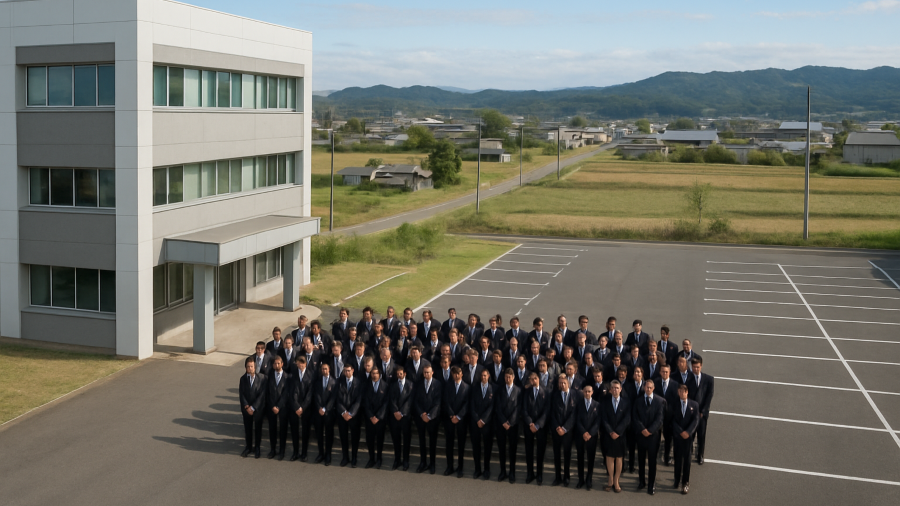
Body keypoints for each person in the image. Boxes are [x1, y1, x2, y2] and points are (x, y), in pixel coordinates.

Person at [633, 379, 664, 495]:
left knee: (652, 461)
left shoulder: (659, 401)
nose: (648, 389)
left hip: (653, 437)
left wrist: (650, 431)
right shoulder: (638, 401)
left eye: (650, 387)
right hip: (641, 435)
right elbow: (635, 417)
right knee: (640, 460)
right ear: (644, 388)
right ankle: (642, 481)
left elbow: (659, 419)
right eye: (647, 387)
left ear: (654, 388)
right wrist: (643, 430)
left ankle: (651, 484)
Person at [601, 380, 629, 493]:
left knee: (619, 458)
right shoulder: (605, 402)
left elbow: (627, 419)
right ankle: (610, 480)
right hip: (608, 435)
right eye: (613, 388)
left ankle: (617, 481)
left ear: (620, 389)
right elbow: (604, 419)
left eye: (617, 388)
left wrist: (618, 432)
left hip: (620, 435)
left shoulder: (626, 402)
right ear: (610, 390)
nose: (615, 390)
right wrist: (610, 431)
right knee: (609, 457)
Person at [442, 366, 470, 477]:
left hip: (461, 420)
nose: (456, 375)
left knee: (461, 444)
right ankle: (450, 466)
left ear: (462, 374)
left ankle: (460, 467)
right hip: (450, 419)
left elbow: (466, 404)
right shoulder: (448, 386)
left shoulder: (467, 387)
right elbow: (446, 401)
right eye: (454, 374)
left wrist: (458, 416)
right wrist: (451, 415)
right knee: (449, 444)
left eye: (458, 373)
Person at [495, 368, 521, 483]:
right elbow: (498, 407)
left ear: (513, 377)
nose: (507, 378)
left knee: (512, 449)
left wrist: (510, 422)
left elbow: (518, 408)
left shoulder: (518, 390)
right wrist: (503, 421)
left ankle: (512, 472)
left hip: (513, 425)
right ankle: (503, 471)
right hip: (501, 424)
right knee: (501, 449)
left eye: (509, 377)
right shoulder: (500, 390)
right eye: (506, 377)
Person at [550, 374, 577, 487]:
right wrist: (557, 427)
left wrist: (565, 428)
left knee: (567, 454)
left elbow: (574, 414)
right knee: (557, 454)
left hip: (568, 430)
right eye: (560, 383)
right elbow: (552, 412)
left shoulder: (575, 395)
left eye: (564, 382)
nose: (561, 384)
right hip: (557, 429)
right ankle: (558, 477)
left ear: (568, 383)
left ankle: (566, 477)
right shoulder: (555, 395)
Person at [522, 372, 549, 485]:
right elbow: (524, 409)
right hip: (529, 426)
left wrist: (537, 424)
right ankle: (530, 473)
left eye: (534, 379)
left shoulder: (546, 392)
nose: (532, 381)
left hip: (540, 427)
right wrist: (530, 423)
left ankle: (539, 474)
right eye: (530, 379)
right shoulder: (527, 392)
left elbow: (546, 411)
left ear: (538, 379)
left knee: (540, 451)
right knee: (529, 451)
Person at [414, 365, 442, 474]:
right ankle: (423, 462)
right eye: (425, 372)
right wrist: (422, 414)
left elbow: (437, 402)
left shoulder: (437, 384)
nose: (426, 374)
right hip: (421, 417)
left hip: (432, 418)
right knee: (422, 441)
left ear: (432, 372)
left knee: (432, 442)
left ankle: (432, 464)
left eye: (428, 372)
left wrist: (430, 415)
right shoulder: (419, 384)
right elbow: (416, 401)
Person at [673, 385, 700, 494]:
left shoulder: (694, 405)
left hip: (688, 438)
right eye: (679, 391)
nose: (681, 393)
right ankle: (676, 480)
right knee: (677, 459)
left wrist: (688, 432)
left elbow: (695, 420)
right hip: (678, 436)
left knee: (687, 460)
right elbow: (672, 420)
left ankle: (685, 483)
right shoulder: (674, 404)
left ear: (687, 392)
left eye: (683, 391)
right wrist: (680, 432)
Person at [239, 356, 266, 459]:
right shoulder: (243, 379)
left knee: (258, 429)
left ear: (255, 367)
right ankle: (248, 447)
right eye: (248, 366)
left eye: (252, 366)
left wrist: (253, 407)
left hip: (257, 408)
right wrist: (247, 406)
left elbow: (262, 395)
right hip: (247, 409)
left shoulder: (261, 378)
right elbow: (242, 394)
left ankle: (257, 447)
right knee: (248, 429)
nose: (250, 368)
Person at [574, 384, 600, 491]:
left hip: (592, 436)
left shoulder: (597, 405)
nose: (587, 393)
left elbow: (598, 421)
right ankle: (581, 480)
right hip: (580, 435)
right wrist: (584, 432)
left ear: (592, 392)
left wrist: (590, 433)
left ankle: (589, 479)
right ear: (583, 392)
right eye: (585, 391)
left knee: (591, 458)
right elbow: (577, 419)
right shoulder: (579, 404)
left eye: (589, 391)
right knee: (580, 458)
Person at [688, 357, 714, 465]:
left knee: (701, 435)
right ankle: (689, 453)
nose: (696, 369)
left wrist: (703, 410)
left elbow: (709, 396)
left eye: (698, 367)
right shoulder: (688, 379)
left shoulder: (708, 379)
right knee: (691, 434)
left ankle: (700, 455)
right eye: (694, 367)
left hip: (702, 413)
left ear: (701, 366)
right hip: (691, 413)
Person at [336, 364, 363, 467]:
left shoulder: (358, 383)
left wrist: (351, 413)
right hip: (342, 415)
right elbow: (337, 399)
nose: (346, 373)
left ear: (352, 371)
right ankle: (345, 457)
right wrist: (343, 412)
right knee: (343, 436)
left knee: (355, 437)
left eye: (348, 370)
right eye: (345, 371)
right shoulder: (339, 382)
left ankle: (354, 458)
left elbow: (358, 400)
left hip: (353, 415)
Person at [388, 366, 414, 471]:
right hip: (395, 416)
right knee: (396, 439)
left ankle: (406, 460)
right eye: (397, 374)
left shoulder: (411, 385)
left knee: (406, 439)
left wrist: (402, 412)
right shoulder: (393, 385)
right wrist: (395, 411)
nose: (399, 375)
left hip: (405, 416)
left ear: (405, 373)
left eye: (401, 373)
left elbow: (409, 401)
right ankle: (397, 459)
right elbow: (391, 399)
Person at [470, 369, 494, 480]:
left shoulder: (493, 388)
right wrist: (477, 419)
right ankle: (477, 469)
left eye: (485, 375)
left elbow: (492, 406)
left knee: (487, 447)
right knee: (476, 447)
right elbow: (472, 404)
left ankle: (487, 469)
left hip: (487, 423)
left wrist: (483, 420)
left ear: (488, 376)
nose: (483, 377)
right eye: (482, 375)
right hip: (476, 422)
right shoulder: (475, 388)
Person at [288, 355, 313, 461]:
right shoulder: (293, 375)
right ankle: (295, 452)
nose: (300, 365)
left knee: (305, 431)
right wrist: (296, 406)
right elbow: (292, 392)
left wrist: (302, 407)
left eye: (302, 364)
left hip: (306, 408)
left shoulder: (311, 375)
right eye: (299, 363)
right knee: (294, 430)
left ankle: (304, 453)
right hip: (295, 407)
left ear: (305, 364)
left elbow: (310, 394)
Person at [265, 355, 290, 460]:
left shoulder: (287, 377)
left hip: (282, 407)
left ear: (282, 364)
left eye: (278, 363)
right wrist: (272, 406)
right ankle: (273, 449)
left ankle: (282, 451)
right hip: (271, 407)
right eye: (275, 363)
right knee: (272, 429)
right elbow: (267, 392)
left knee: (283, 430)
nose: (276, 365)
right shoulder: (269, 375)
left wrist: (278, 406)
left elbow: (286, 394)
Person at [364, 367, 388, 469]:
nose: (374, 375)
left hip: (380, 418)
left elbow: (386, 403)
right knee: (369, 439)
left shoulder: (385, 386)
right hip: (369, 418)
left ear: (379, 374)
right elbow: (365, 402)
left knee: (379, 439)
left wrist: (378, 416)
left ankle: (379, 459)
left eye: (376, 373)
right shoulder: (366, 385)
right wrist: (370, 416)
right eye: (372, 373)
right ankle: (371, 459)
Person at [313, 363, 337, 465]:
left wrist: (326, 409)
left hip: (329, 413)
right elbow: (316, 395)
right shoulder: (317, 381)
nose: (324, 371)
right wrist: (319, 408)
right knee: (319, 434)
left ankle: (328, 455)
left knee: (328, 434)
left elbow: (333, 398)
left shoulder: (334, 382)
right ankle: (321, 453)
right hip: (319, 412)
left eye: (326, 369)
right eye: (322, 369)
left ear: (329, 369)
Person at [624, 366, 646, 473]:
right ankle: (631, 465)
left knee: (641, 446)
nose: (636, 374)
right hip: (632, 420)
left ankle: (641, 466)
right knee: (631, 445)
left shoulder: (646, 386)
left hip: (642, 420)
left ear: (642, 373)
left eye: (638, 372)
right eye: (635, 372)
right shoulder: (628, 386)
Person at [657, 365, 678, 466]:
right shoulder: (655, 383)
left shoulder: (675, 385)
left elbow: (676, 402)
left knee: (668, 438)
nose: (664, 374)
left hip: (669, 417)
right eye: (663, 372)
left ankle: (666, 456)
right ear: (660, 372)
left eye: (666, 372)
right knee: (656, 436)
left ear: (669, 372)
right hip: (657, 415)